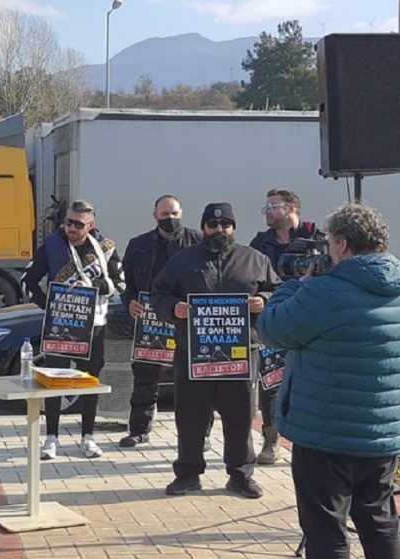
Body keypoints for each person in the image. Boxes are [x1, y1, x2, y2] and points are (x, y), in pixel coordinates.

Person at [257, 204, 400, 558]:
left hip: (326, 434)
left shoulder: (325, 292)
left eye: (332, 242)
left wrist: (296, 286)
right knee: (380, 522)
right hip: (383, 434)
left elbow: (272, 329)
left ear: (343, 244)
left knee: (326, 531)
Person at [151, 202, 280, 499]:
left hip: (240, 354)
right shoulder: (183, 261)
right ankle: (187, 474)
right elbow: (159, 294)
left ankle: (240, 475)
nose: (219, 230)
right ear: (203, 227)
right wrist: (172, 308)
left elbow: (279, 290)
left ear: (233, 228)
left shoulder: (255, 259)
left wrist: (264, 299)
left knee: (240, 417)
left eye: (225, 225)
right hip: (193, 353)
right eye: (213, 225)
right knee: (190, 416)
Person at [20, 199, 124, 460]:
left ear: (91, 225)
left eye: (78, 224)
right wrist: (48, 304)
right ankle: (51, 438)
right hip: (61, 324)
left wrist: (93, 286)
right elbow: (28, 280)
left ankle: (88, 437)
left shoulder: (105, 247)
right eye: (68, 222)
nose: (72, 229)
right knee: (54, 380)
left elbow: (120, 284)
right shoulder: (53, 245)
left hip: (94, 325)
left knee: (90, 381)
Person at [119, 195, 201, 449]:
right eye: (165, 214)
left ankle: (200, 433)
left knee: (194, 381)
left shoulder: (198, 242)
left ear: (182, 213)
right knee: (145, 378)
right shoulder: (138, 245)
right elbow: (126, 284)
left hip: (187, 320)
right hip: (150, 320)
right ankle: (139, 429)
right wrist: (130, 301)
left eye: (174, 214)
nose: (170, 219)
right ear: (155, 216)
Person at [248, 188, 324, 465]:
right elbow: (251, 279)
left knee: (312, 380)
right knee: (270, 381)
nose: (267, 212)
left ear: (291, 208)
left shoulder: (317, 238)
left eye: (272, 207)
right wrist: (261, 297)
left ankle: (313, 438)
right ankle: (271, 439)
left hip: (310, 318)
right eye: (266, 208)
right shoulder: (260, 243)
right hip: (273, 318)